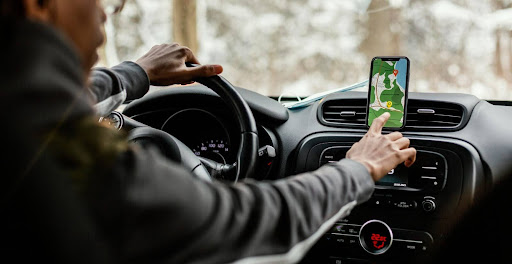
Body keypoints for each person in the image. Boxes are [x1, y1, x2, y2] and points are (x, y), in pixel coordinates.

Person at [0, 0, 416, 263]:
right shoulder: (72, 159)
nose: (106, 12)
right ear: (38, 5)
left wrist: (136, 74)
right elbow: (253, 224)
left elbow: (53, 101)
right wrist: (360, 168)